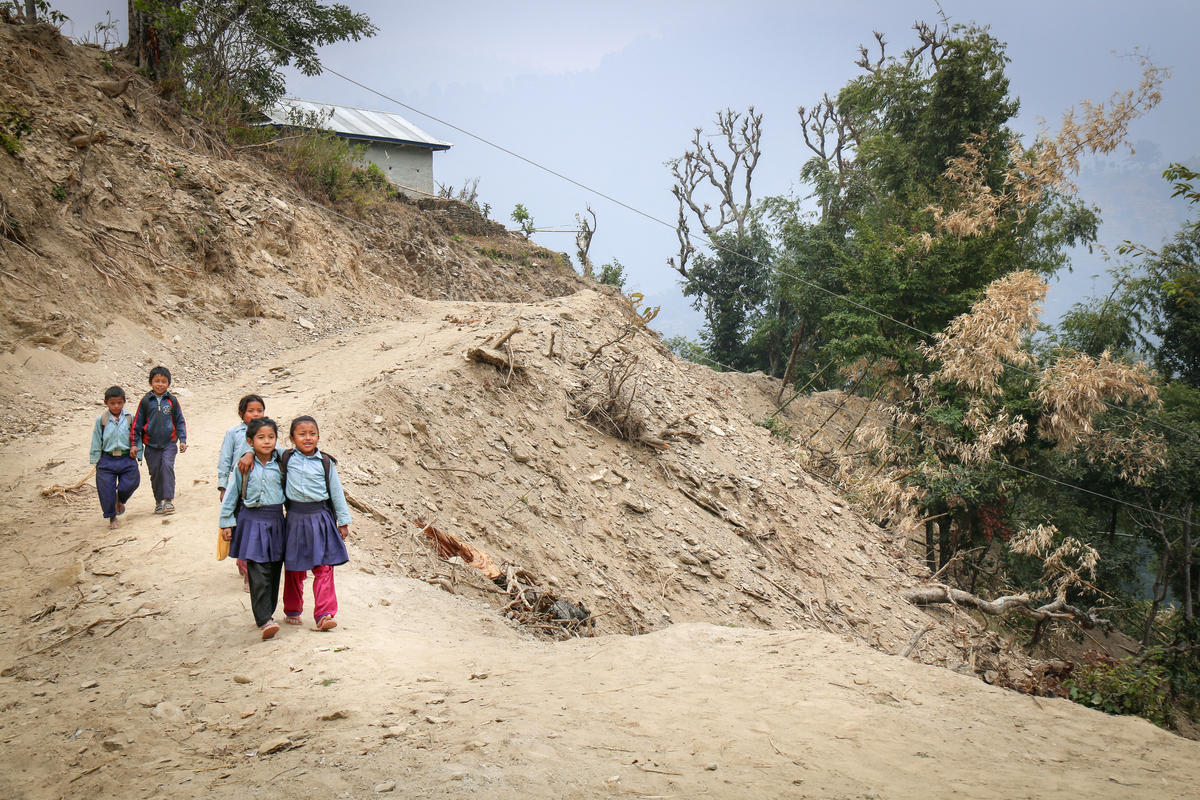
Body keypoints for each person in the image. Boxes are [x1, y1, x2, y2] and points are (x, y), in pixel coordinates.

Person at [280, 416, 351, 631]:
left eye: (312, 434)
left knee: (324, 566)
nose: (307, 438)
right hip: (294, 518)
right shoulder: (285, 457)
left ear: (318, 436)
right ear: (292, 438)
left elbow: (337, 493)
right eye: (302, 434)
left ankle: (324, 613)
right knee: (294, 567)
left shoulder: (325, 463)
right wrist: (246, 454)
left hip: (320, 518)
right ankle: (292, 609)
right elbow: (261, 445)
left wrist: (343, 521)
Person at [219, 417, 286, 640]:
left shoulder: (281, 462)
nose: (266, 442)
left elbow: (293, 453)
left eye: (271, 437)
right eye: (260, 438)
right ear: (250, 441)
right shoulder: (243, 466)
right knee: (257, 569)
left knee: (275, 568)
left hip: (276, 521)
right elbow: (232, 493)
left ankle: (269, 611)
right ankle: (264, 618)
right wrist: (227, 521)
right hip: (252, 519)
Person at [217, 394, 267, 591]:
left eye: (259, 410)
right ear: (241, 414)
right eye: (251, 411)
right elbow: (225, 458)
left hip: (259, 490)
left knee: (254, 530)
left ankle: (249, 570)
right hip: (237, 488)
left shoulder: (267, 431)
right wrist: (223, 486)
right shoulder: (233, 433)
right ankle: (244, 564)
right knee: (239, 526)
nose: (255, 414)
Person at [132, 366, 187, 515]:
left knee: (167, 467)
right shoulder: (145, 401)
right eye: (157, 381)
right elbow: (137, 424)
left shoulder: (172, 401)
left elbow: (180, 421)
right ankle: (158, 501)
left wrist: (182, 439)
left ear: (168, 383)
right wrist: (134, 444)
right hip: (150, 445)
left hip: (169, 443)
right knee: (155, 472)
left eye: (164, 381)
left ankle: (168, 501)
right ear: (151, 383)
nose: (160, 384)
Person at [89, 386, 141, 530]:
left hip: (127, 457)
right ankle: (112, 517)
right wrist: (96, 459)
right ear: (106, 403)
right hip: (107, 459)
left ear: (124, 402)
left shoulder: (129, 418)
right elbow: (96, 439)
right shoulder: (102, 420)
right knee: (106, 489)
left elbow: (136, 436)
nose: (116, 406)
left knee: (132, 481)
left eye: (119, 403)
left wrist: (137, 451)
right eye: (112, 403)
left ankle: (120, 499)